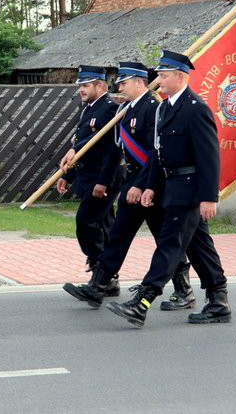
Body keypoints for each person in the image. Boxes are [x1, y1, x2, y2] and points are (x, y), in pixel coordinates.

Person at [106, 50, 231, 328]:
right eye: (158, 75)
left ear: (180, 76)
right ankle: (219, 301)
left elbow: (209, 157)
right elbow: (158, 154)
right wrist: (150, 186)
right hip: (171, 187)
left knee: (169, 245)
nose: (158, 80)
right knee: (199, 247)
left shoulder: (196, 108)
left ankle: (142, 302)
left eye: (163, 75)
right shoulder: (164, 107)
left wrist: (210, 197)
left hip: (190, 190)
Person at [62, 62, 194, 310]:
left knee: (164, 240)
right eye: (119, 82)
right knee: (118, 237)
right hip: (132, 182)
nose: (119, 87)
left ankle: (184, 290)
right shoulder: (126, 109)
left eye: (124, 82)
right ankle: (99, 286)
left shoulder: (153, 108)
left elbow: (156, 152)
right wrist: (75, 151)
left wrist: (145, 186)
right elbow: (113, 147)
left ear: (139, 82)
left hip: (151, 185)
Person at [56, 66, 122, 292]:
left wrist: (103, 182)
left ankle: (100, 275)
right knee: (104, 226)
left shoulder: (111, 110)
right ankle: (108, 280)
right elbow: (80, 148)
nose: (81, 90)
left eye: (85, 86)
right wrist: (68, 175)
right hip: (87, 176)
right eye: (80, 86)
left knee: (85, 223)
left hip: (102, 178)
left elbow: (112, 151)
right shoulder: (89, 109)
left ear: (100, 86)